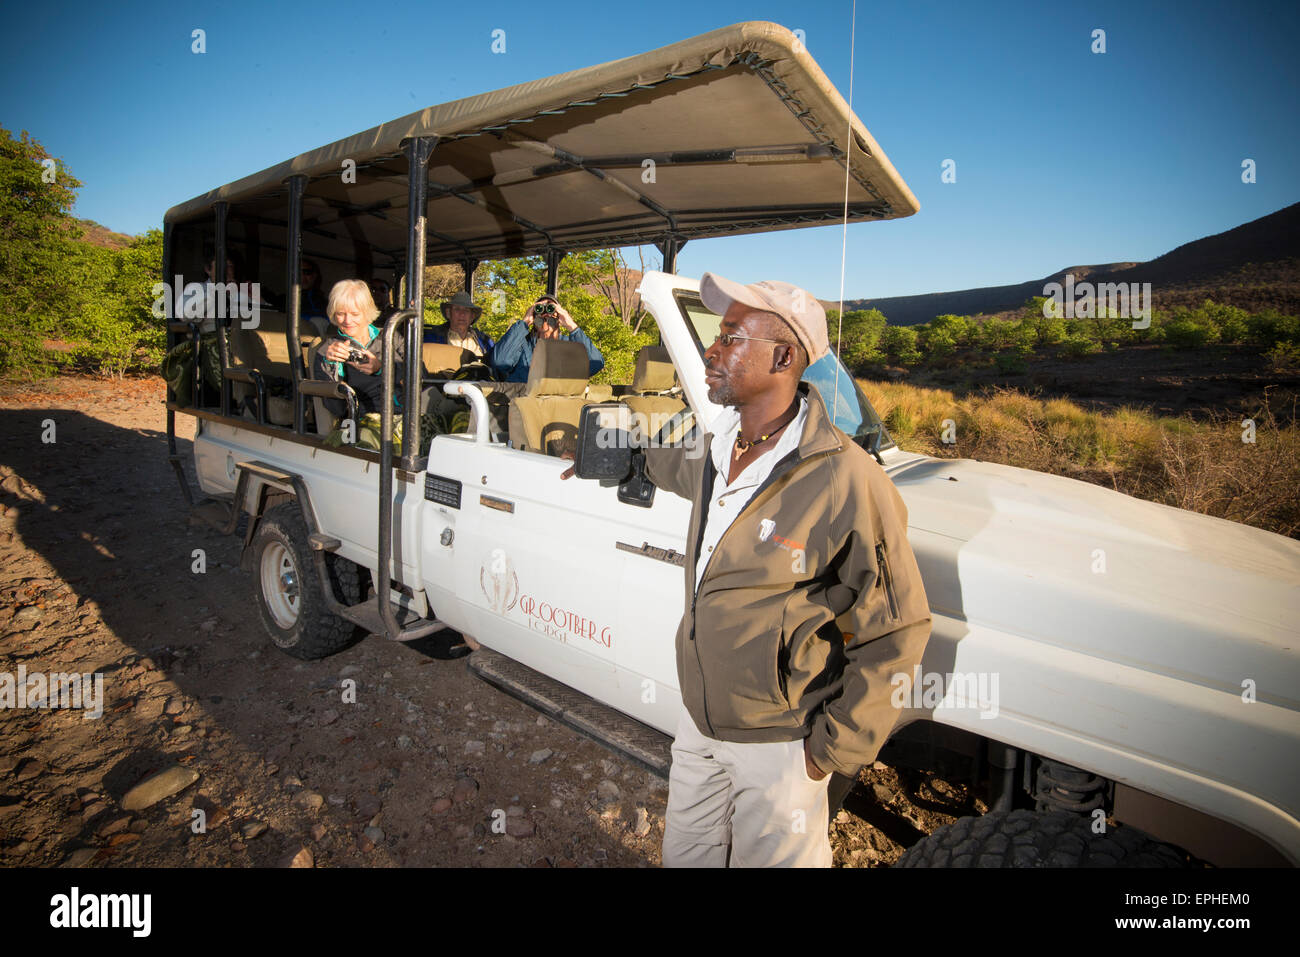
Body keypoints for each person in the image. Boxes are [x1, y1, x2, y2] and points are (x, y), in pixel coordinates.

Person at [634, 273, 931, 867]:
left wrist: (828, 752)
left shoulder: (844, 478)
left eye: (731, 339)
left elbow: (896, 630)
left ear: (784, 356)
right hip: (699, 724)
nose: (712, 353)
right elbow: (669, 468)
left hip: (780, 745)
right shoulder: (719, 447)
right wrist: (612, 460)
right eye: (717, 338)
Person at [310, 279, 405, 420]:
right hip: (361, 422)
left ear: (367, 312)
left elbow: (421, 375)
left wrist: (381, 368)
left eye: (355, 314)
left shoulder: (391, 337)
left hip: (406, 414)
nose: (347, 321)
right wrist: (331, 365)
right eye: (340, 314)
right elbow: (336, 409)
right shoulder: (328, 350)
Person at [489, 294, 603, 383]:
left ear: (559, 316)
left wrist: (571, 325)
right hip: (526, 405)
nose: (546, 314)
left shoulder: (570, 346)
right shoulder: (522, 345)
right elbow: (499, 362)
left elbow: (595, 364)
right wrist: (525, 322)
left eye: (551, 309)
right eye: (540, 309)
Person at [423, 290, 495, 364]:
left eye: (466, 310)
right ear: (448, 313)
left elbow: (496, 365)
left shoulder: (485, 341)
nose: (462, 314)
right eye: (457, 309)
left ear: (472, 316)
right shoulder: (432, 337)